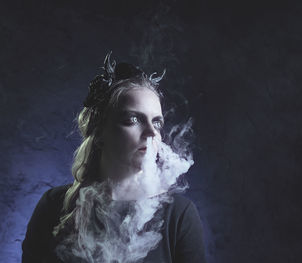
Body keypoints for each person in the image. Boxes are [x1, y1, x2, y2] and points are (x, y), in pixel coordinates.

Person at [22, 52, 206, 263]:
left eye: (156, 123)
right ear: (100, 132)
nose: (151, 133)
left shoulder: (179, 215)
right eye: (133, 119)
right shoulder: (54, 207)